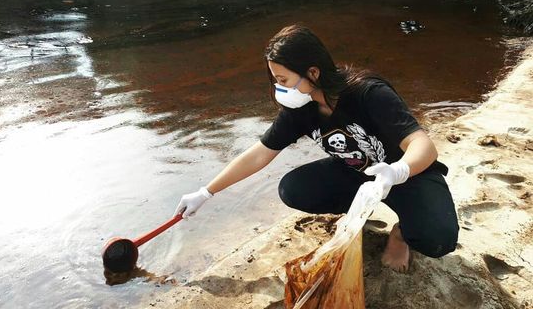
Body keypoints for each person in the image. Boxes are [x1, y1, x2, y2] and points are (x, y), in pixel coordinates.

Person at [174, 24, 459, 272]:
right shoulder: (301, 109)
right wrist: (206, 192)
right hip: (358, 172)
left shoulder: (368, 93)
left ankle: (400, 235)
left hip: (408, 174)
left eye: (283, 80)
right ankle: (360, 213)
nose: (279, 88)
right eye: (275, 81)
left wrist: (396, 172)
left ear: (312, 72)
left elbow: (423, 145)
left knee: (438, 238)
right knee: (293, 189)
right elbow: (261, 153)